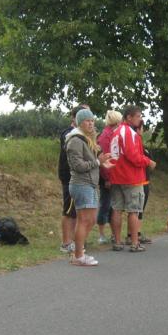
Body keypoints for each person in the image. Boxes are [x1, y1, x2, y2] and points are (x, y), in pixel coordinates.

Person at [65, 108, 113, 266]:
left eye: (92, 120)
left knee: (90, 220)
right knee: (85, 221)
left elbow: (92, 159)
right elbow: (78, 165)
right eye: (87, 121)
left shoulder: (86, 139)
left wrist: (103, 162)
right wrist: (98, 162)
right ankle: (78, 255)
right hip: (81, 184)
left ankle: (78, 253)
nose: (91, 124)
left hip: (89, 184)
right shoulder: (75, 140)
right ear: (80, 122)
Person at [109, 105, 156, 252]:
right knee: (134, 210)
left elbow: (114, 155)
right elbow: (133, 156)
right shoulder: (129, 132)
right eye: (138, 116)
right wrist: (148, 161)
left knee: (117, 209)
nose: (140, 119)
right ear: (129, 117)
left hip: (116, 176)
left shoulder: (116, 132)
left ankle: (117, 241)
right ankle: (135, 242)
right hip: (131, 177)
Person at [58, 106, 86, 253]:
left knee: (76, 211)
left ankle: (74, 240)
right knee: (69, 210)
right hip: (70, 177)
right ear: (74, 118)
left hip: (80, 178)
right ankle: (66, 242)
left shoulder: (81, 134)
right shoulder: (69, 133)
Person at [96, 109, 121, 244]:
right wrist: (107, 178)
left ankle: (112, 233)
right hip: (107, 176)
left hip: (113, 175)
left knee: (112, 206)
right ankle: (101, 234)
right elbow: (105, 159)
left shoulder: (111, 134)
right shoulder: (105, 136)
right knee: (105, 205)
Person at [128, 120, 153, 245]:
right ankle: (133, 235)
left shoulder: (138, 142)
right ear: (138, 129)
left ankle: (135, 233)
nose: (143, 130)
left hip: (144, 179)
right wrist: (149, 162)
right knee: (137, 209)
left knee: (139, 209)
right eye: (142, 128)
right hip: (140, 180)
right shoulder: (136, 143)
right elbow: (139, 159)